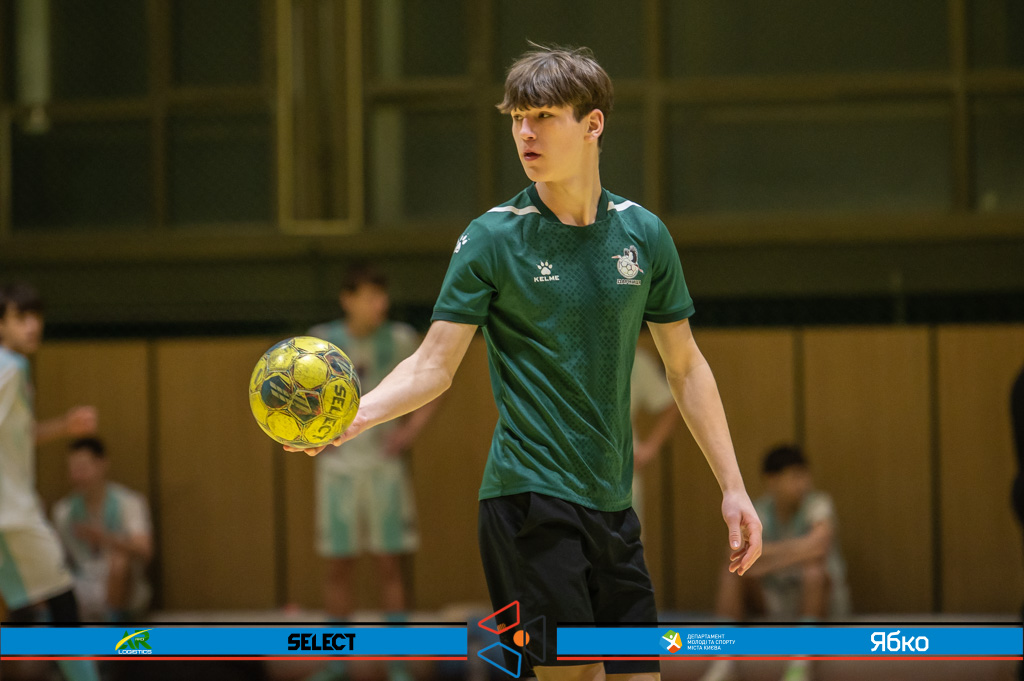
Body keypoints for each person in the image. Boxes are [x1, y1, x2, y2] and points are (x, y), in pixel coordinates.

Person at [288, 45, 763, 681]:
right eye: (517, 118)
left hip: (614, 508)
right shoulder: (492, 237)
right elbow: (433, 363)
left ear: (593, 124)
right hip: (529, 505)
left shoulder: (643, 234)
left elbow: (686, 367)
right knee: (572, 675)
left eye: (542, 116)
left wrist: (733, 487)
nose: (525, 133)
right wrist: (359, 414)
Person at [306, 266, 439, 681]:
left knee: (389, 565)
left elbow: (433, 380)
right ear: (347, 299)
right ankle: (336, 663)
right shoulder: (320, 342)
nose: (379, 304)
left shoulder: (399, 338)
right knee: (338, 566)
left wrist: (411, 431)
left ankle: (397, 663)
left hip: (383, 466)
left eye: (382, 295)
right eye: (369, 296)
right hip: (338, 468)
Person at [0, 282, 100, 681]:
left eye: (36, 316)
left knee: (33, 606)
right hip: (12, 516)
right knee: (62, 602)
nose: (32, 326)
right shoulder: (11, 367)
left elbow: (17, 435)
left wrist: (64, 427)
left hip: (12, 513)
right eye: (20, 317)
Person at [699, 444, 850, 681]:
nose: (803, 484)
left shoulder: (818, 503)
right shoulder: (758, 511)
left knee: (814, 571)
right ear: (772, 480)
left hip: (816, 603)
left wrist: (764, 559)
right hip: (772, 598)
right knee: (732, 573)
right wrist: (801, 551)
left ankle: (801, 661)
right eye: (795, 477)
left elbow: (819, 546)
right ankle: (723, 661)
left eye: (805, 475)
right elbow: (734, 552)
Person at [52, 437, 153, 623]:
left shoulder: (128, 502)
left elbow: (144, 550)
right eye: (73, 469)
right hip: (81, 581)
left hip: (121, 584)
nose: (77, 476)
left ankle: (115, 626)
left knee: (120, 562)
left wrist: (105, 538)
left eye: (82, 468)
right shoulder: (63, 511)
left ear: (102, 465)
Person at [629, 341, 680, 524]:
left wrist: (649, 449)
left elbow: (670, 405)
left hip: (621, 471)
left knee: (625, 536)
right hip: (569, 471)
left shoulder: (634, 359)